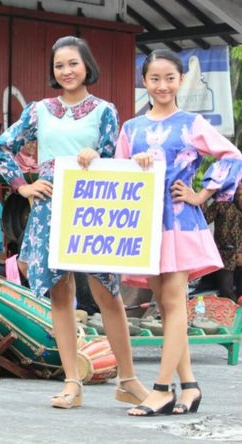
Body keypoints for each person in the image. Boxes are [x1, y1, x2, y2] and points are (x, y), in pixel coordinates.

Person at [0, 36, 147, 409]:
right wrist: (23, 187)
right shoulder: (38, 110)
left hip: (94, 206)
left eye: (73, 64)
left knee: (107, 293)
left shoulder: (105, 111)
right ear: (53, 71)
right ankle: (71, 382)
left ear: (87, 66)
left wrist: (98, 156)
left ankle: (128, 379)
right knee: (61, 295)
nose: (66, 71)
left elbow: (118, 161)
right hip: (49, 208)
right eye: (59, 65)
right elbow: (1, 147)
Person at [117, 49, 242, 416]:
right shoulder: (131, 128)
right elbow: (118, 174)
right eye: (155, 79)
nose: (162, 85)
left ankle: (160, 388)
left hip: (178, 224)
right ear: (144, 82)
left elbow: (232, 155)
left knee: (172, 306)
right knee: (169, 308)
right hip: (144, 226)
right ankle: (189, 387)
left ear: (181, 81)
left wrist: (201, 193)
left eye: (170, 78)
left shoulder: (191, 123)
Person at [201, 182, 242, 301]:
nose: (240, 185)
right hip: (224, 255)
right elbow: (204, 221)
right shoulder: (221, 203)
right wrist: (200, 201)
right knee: (226, 292)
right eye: (238, 182)